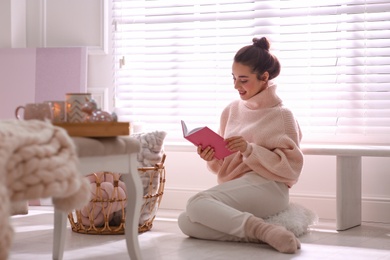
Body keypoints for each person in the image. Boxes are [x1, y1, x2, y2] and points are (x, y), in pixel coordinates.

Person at [178, 37, 304, 254]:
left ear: (264, 78)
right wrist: (213, 157)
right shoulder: (231, 110)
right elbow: (225, 163)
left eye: (243, 80)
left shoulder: (282, 115)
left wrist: (249, 149)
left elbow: (291, 168)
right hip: (240, 186)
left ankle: (262, 231)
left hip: (270, 187)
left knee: (197, 202)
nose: (236, 86)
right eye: (234, 78)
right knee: (186, 221)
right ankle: (265, 234)